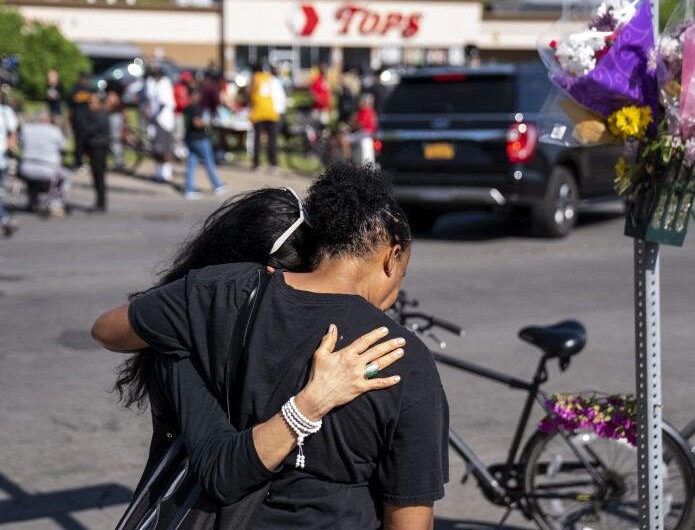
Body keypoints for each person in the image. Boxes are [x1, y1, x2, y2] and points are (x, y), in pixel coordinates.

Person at [93, 164, 448, 528]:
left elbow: (107, 330)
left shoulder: (221, 292)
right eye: (402, 274)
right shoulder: (399, 357)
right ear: (392, 257)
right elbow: (410, 523)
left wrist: (179, 339)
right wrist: (309, 404)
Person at [18, 110, 71, 215]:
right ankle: (56, 204)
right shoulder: (54, 130)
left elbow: (21, 144)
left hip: (26, 167)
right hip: (48, 168)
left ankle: (33, 201)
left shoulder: (26, 129)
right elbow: (64, 147)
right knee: (67, 175)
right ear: (48, 120)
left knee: (32, 179)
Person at [182, 88, 227, 199]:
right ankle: (217, 185)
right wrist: (208, 123)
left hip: (190, 139)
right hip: (200, 139)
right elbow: (196, 123)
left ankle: (189, 188)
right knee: (209, 162)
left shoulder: (186, 108)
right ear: (194, 96)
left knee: (191, 164)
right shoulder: (195, 108)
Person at [144, 64, 175, 182]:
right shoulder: (154, 84)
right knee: (156, 148)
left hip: (164, 121)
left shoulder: (164, 84)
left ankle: (166, 173)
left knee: (165, 148)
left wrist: (155, 115)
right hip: (156, 121)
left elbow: (163, 103)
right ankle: (159, 171)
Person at [83, 91, 112, 212]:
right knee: (97, 177)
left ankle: (101, 203)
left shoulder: (100, 115)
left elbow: (90, 130)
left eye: (93, 102)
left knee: (99, 176)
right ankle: (100, 202)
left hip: (99, 149)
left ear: (99, 103)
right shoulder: (96, 114)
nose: (90, 105)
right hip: (96, 148)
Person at [248, 62, 280, 172]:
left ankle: (257, 164)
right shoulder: (269, 77)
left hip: (259, 111)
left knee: (257, 138)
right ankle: (273, 164)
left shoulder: (255, 77)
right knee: (272, 139)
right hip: (271, 111)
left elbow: (249, 93)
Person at [0, 92, 19, 236]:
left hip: (2, 158)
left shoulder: (5, 111)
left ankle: (4, 219)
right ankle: (4, 219)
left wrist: (9, 145)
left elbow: (13, 132)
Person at [68, 70, 94, 170]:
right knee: (86, 142)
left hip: (79, 119)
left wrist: (70, 120)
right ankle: (84, 161)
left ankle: (79, 162)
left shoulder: (75, 90)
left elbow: (70, 109)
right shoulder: (91, 90)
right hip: (86, 120)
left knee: (79, 142)